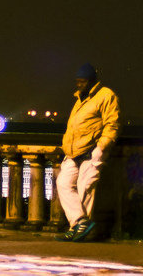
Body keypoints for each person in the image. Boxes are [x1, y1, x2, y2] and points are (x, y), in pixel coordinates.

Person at [55, 63, 119, 242]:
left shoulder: (106, 95)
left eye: (82, 82)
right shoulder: (80, 98)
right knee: (63, 184)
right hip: (74, 153)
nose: (79, 85)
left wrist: (101, 147)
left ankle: (78, 230)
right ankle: (80, 222)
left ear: (92, 81)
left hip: (92, 152)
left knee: (85, 189)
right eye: (77, 81)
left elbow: (112, 124)